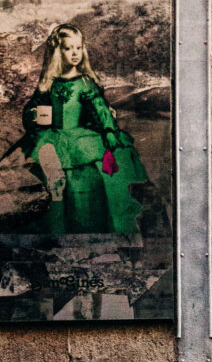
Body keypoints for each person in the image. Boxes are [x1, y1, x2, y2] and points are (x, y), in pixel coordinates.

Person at [20, 23, 148, 235]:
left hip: (81, 141)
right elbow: (32, 107)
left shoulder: (85, 82)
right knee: (53, 180)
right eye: (68, 48)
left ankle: (88, 231)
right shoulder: (48, 84)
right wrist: (34, 115)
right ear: (58, 52)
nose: (74, 53)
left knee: (84, 184)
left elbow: (101, 110)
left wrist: (108, 130)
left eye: (78, 48)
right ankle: (56, 230)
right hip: (52, 138)